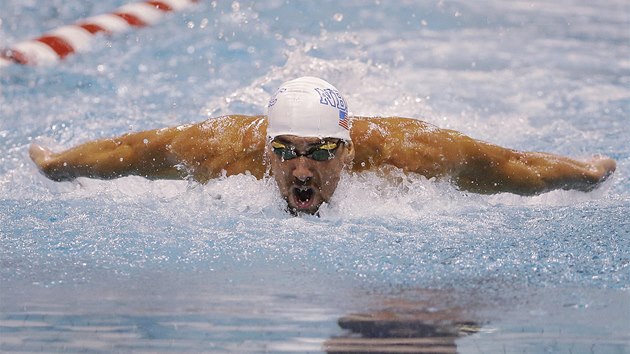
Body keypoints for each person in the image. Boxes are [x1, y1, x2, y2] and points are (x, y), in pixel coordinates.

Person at [29, 76, 616, 215]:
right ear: (265, 147)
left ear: (349, 149)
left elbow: (518, 167)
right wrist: (58, 165)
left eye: (319, 152)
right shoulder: (225, 148)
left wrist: (585, 172)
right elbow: (131, 150)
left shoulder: (408, 151)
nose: (301, 170)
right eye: (284, 151)